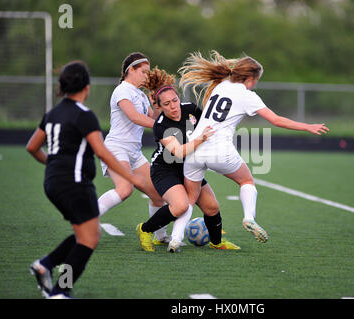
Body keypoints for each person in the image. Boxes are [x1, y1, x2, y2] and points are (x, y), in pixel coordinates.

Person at [178, 50, 329, 242]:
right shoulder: (248, 96)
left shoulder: (221, 84)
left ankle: (175, 238)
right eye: (257, 79)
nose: (256, 83)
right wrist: (307, 126)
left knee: (190, 199)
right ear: (249, 77)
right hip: (219, 150)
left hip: (195, 148)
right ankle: (249, 217)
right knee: (246, 181)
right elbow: (276, 120)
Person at [26, 61, 144, 298]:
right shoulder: (85, 115)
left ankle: (45, 265)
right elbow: (101, 151)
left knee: (85, 235)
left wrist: (53, 164)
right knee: (89, 239)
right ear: (87, 87)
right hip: (75, 184)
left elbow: (32, 147)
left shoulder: (52, 114)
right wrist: (128, 176)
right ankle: (61, 290)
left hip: (52, 183)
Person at [135, 66, 241, 252]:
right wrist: (201, 139)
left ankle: (217, 243)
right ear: (158, 106)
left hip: (190, 168)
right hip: (165, 170)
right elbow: (179, 152)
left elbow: (210, 123)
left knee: (212, 207)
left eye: (174, 100)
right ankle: (145, 229)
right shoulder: (160, 126)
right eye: (166, 104)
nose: (173, 106)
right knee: (180, 206)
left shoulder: (190, 109)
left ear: (178, 98)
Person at [97, 52, 170, 244]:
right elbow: (134, 117)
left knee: (158, 194)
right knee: (124, 189)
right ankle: (87, 219)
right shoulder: (122, 90)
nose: (147, 76)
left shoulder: (141, 95)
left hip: (134, 153)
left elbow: (151, 118)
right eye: (144, 72)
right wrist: (161, 126)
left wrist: (157, 105)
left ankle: (160, 236)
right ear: (131, 70)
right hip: (116, 148)